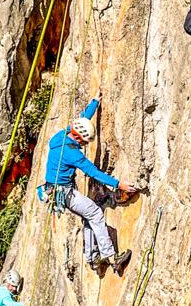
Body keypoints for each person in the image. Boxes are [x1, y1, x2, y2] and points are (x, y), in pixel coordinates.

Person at [43, 95, 136, 275]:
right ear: (78, 139)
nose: (84, 145)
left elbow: (81, 120)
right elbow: (93, 172)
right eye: (84, 142)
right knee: (95, 213)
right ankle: (111, 257)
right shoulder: (73, 154)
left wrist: (95, 102)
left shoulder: (61, 136)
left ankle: (92, 257)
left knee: (88, 216)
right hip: (66, 194)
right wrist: (118, 184)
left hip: (55, 191)